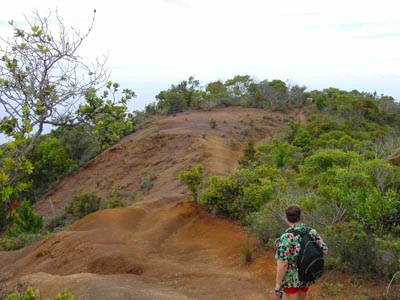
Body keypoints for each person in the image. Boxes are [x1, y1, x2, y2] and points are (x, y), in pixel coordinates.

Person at [274, 204, 328, 300]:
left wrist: (278, 284)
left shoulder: (286, 237)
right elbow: (325, 250)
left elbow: (283, 263)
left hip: (291, 279)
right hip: (306, 275)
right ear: (300, 216)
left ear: (286, 218)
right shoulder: (311, 231)